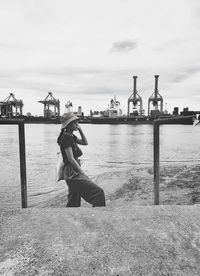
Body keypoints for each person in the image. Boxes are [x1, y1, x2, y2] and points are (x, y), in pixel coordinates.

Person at [57, 112, 106, 207]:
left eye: (77, 122)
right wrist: (82, 174)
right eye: (75, 123)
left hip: (71, 174)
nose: (77, 124)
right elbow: (71, 159)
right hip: (72, 174)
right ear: (68, 124)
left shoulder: (70, 136)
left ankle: (70, 218)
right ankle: (99, 217)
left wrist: (80, 130)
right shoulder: (66, 138)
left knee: (73, 202)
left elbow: (85, 142)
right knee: (98, 193)